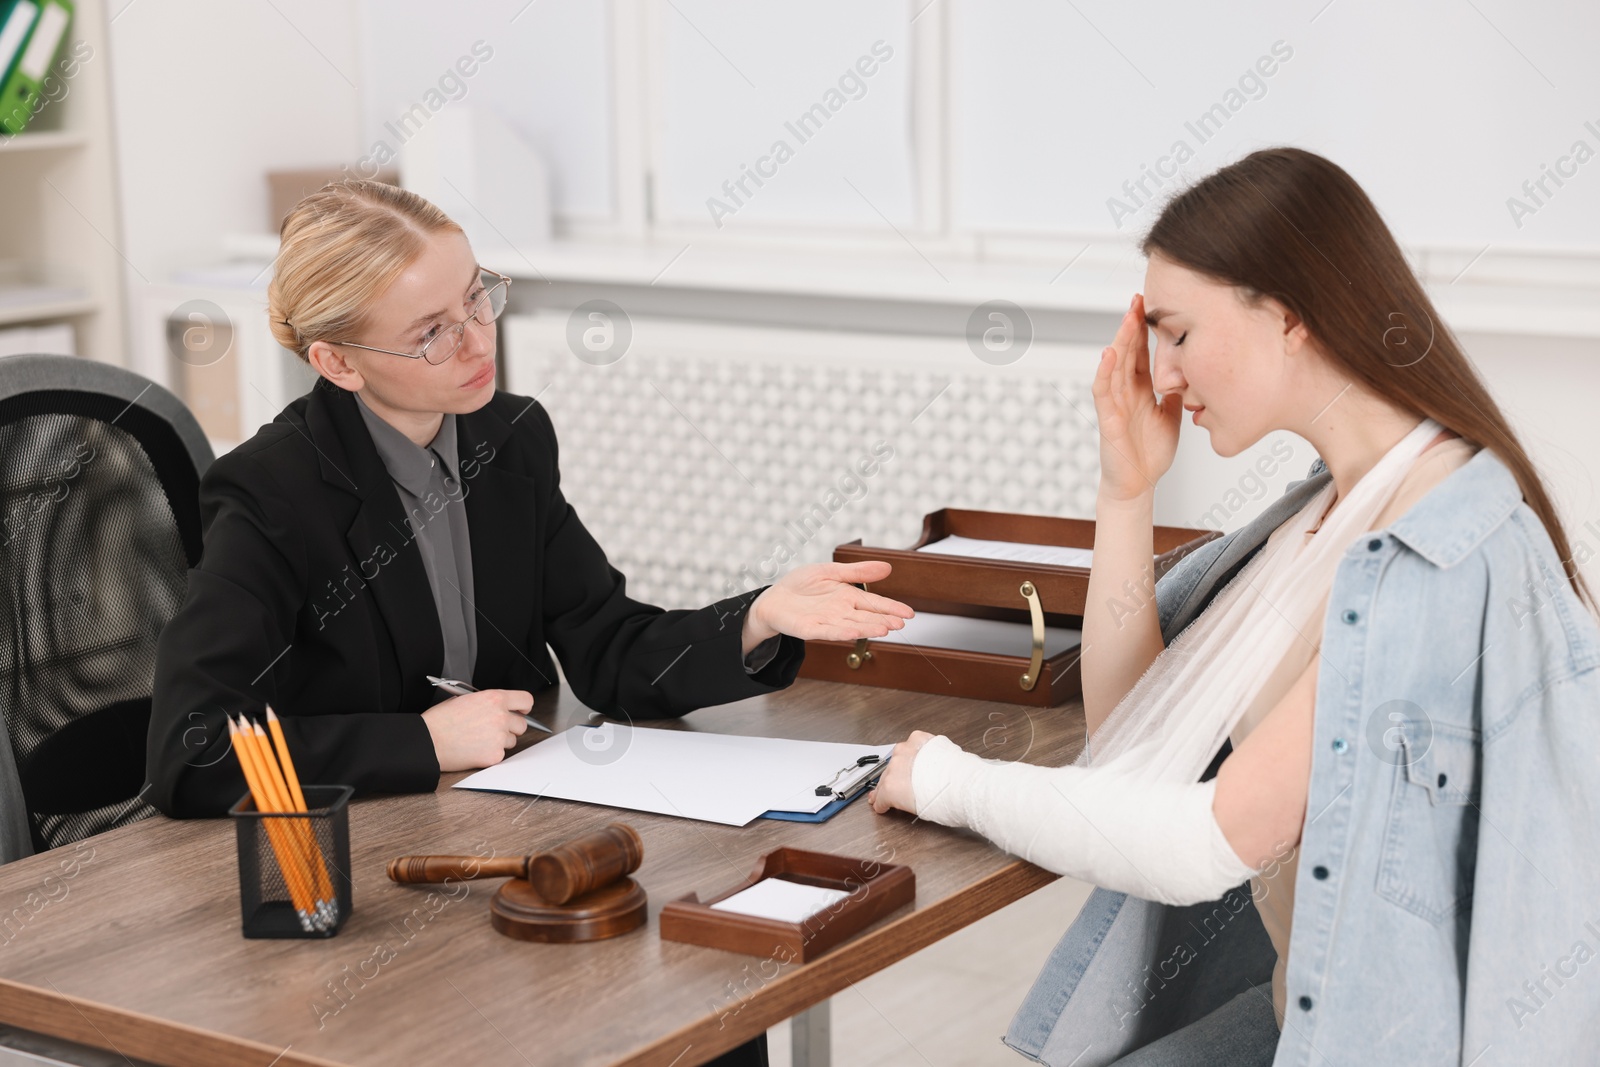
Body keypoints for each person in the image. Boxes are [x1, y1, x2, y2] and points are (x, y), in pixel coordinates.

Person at [868, 147, 1600, 1065]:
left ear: (1288, 314)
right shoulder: (1321, 511)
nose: (1162, 374)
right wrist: (1127, 489)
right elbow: (1138, 742)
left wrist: (947, 781)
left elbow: (1203, 841)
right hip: (1302, 1007)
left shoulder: (1431, 553)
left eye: (1176, 332)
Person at [146, 178, 914, 818]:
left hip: (495, 818)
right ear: (337, 361)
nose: (480, 341)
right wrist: (423, 743)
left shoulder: (507, 437)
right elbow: (197, 748)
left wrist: (757, 617)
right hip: (347, 845)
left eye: (478, 298)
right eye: (432, 334)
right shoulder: (272, 491)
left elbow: (607, 647)